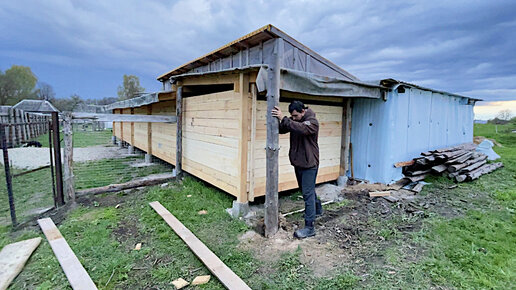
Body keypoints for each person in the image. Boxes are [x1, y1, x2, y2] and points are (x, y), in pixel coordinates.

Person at [272, 100, 323, 239]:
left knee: (307, 194)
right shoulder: (296, 121)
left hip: (310, 163)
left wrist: (285, 119)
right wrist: (277, 120)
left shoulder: (312, 122)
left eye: (295, 115)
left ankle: (310, 227)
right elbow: (285, 128)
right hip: (299, 162)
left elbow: (301, 128)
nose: (293, 118)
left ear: (303, 112)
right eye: (291, 116)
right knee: (307, 190)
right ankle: (317, 208)